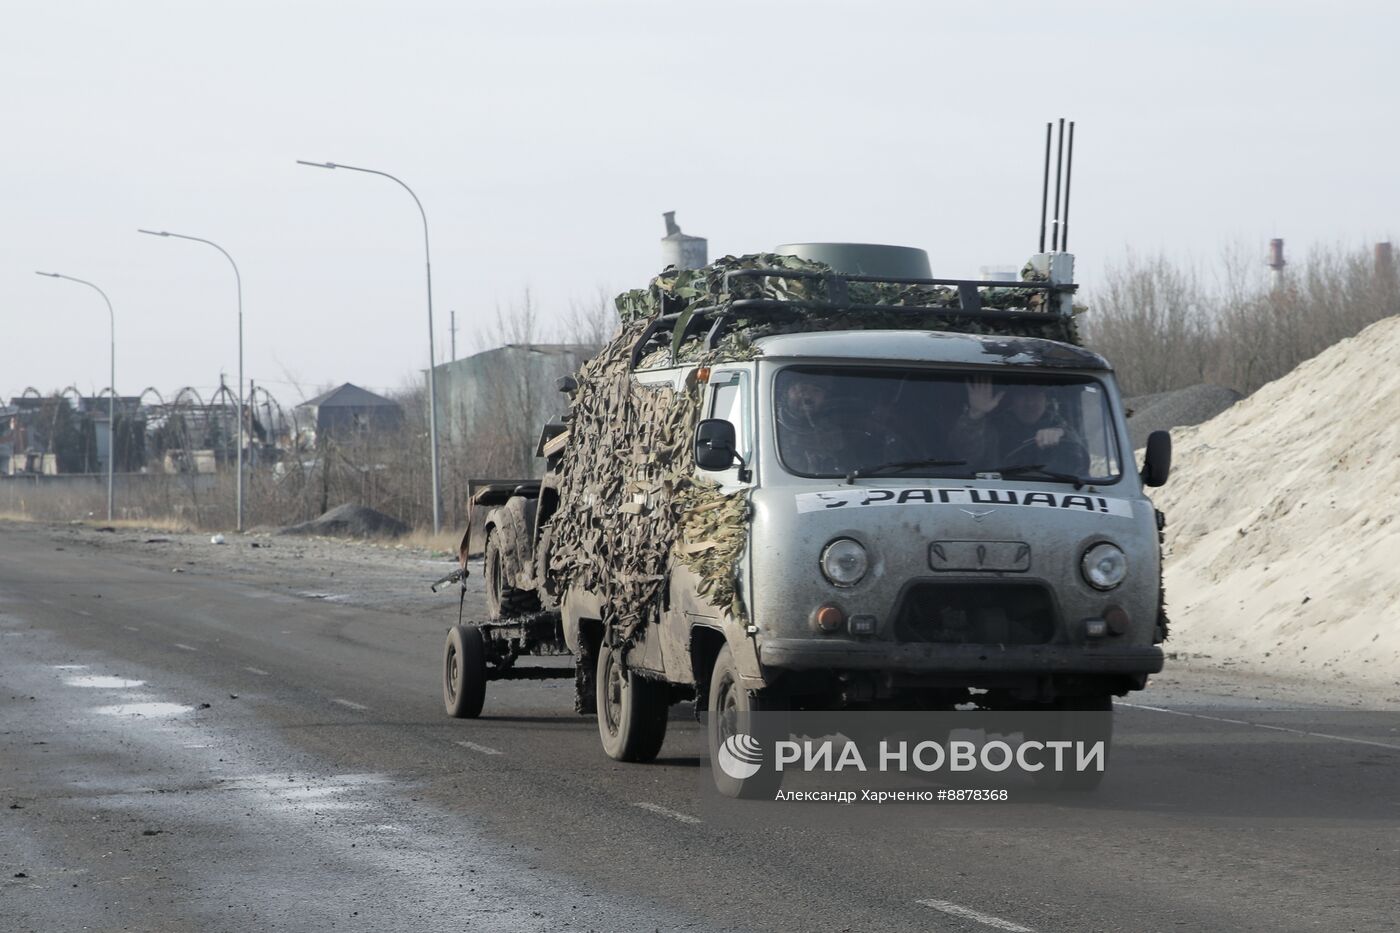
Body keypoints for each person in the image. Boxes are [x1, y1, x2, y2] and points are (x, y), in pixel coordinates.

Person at [950, 377, 1087, 475]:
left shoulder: (1061, 427)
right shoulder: (993, 428)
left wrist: (1062, 435)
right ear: (1012, 400)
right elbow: (965, 456)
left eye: (1036, 394)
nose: (1030, 403)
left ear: (1046, 399)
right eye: (1023, 395)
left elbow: (1080, 466)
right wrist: (975, 415)